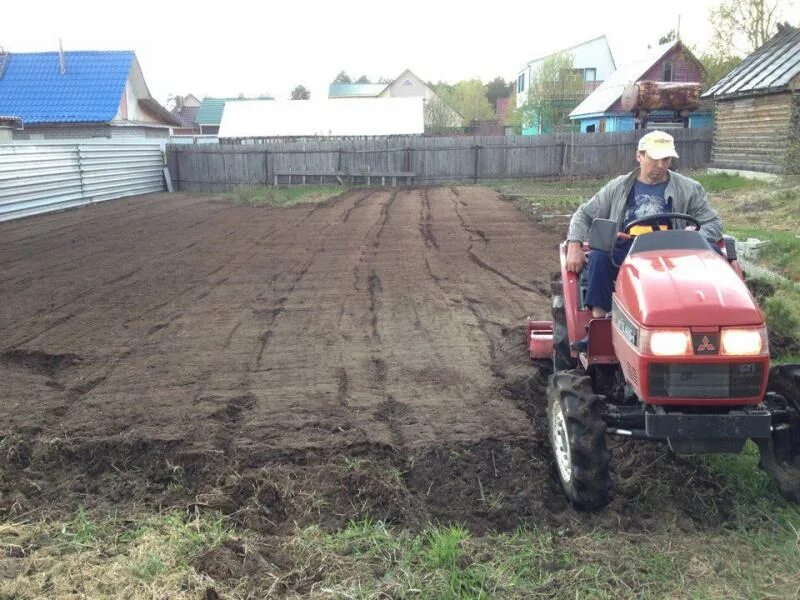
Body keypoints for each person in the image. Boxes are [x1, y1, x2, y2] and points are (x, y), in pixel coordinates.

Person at [565, 130, 722, 351]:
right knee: (600, 255)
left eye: (665, 159)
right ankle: (600, 324)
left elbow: (713, 224)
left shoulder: (689, 189)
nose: (660, 165)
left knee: (716, 255)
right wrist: (574, 244)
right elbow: (583, 214)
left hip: (675, 252)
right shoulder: (618, 187)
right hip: (630, 250)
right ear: (639, 156)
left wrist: (694, 235)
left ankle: (712, 319)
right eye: (654, 158)